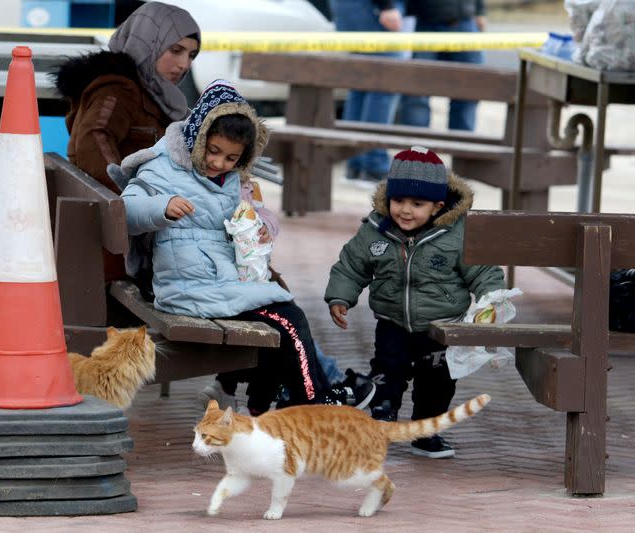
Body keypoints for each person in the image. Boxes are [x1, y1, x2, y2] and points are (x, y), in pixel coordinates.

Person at [119, 80, 374, 415]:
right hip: (187, 287)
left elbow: (250, 214)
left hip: (218, 281)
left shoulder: (229, 180)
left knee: (281, 316)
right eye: (213, 151)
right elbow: (127, 208)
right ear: (198, 135)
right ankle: (310, 400)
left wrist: (259, 226)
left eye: (231, 158)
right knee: (288, 318)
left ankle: (270, 401)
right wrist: (161, 207)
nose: (219, 163)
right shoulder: (163, 168)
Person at [324, 146, 505, 458]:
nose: (405, 210)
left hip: (440, 328)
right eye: (398, 201)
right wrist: (341, 296)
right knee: (386, 372)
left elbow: (484, 271)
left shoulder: (456, 234)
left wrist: (491, 301)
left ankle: (426, 432)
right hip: (392, 323)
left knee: (437, 383)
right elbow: (352, 265)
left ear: (436, 206)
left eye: (416, 204)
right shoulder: (376, 230)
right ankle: (382, 421)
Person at [52, 1, 200, 283]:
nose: (184, 64)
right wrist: (133, 196)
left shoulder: (158, 96)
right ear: (148, 42)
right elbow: (93, 137)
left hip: (141, 231)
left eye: (191, 55)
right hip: (122, 243)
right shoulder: (120, 90)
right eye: (175, 50)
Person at [328, 0, 406, 184]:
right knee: (382, 87)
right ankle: (373, 165)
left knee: (360, 87)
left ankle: (355, 163)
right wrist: (387, 6)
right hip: (373, 10)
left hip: (353, 10)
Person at [398, 1, 487, 131]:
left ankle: (461, 147)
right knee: (416, 94)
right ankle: (416, 147)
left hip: (463, 20)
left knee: (468, 91)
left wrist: (480, 11)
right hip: (425, 20)